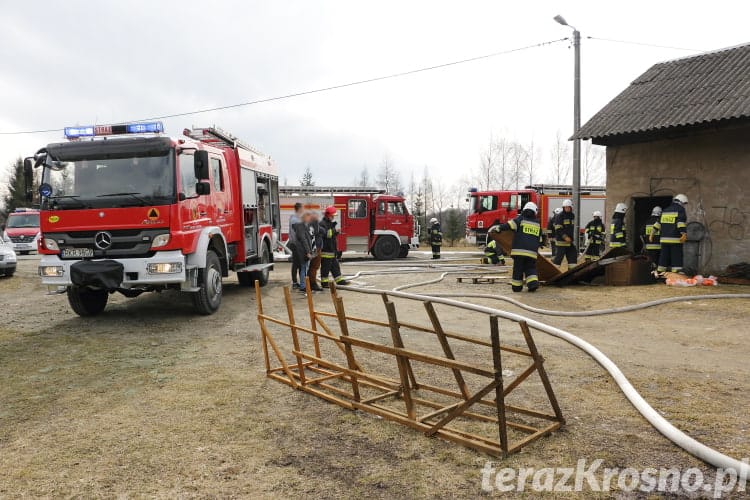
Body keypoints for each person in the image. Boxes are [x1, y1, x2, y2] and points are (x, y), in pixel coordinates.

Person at [488, 201, 543, 293]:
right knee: (530, 268)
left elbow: (509, 225)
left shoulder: (520, 219)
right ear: (534, 212)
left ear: (524, 210)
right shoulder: (537, 224)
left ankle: (517, 287)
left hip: (519, 252)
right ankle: (533, 284)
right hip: (532, 253)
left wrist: (498, 228)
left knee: (518, 269)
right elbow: (540, 240)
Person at [653, 194, 688, 273]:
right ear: (681, 202)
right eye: (684, 203)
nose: (684, 205)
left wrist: (652, 233)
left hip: (664, 240)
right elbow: (680, 223)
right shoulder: (680, 210)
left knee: (663, 257)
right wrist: (684, 233)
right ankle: (676, 273)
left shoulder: (665, 210)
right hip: (675, 239)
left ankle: (660, 273)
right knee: (676, 257)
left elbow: (658, 223)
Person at [319, 206, 350, 287]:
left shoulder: (329, 223)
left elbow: (331, 235)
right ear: (328, 215)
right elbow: (326, 234)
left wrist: (336, 232)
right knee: (326, 267)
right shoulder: (322, 224)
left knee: (335, 266)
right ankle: (324, 283)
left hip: (331, 249)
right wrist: (334, 231)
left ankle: (339, 280)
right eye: (332, 215)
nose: (333, 217)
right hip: (326, 250)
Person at [293, 211, 314, 294]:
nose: (310, 219)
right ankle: (303, 286)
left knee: (304, 268)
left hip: (304, 251)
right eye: (308, 217)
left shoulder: (305, 226)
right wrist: (308, 252)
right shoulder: (301, 227)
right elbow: (304, 240)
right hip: (303, 252)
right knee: (304, 268)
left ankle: (304, 285)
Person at [552, 199, 576, 267]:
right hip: (561, 242)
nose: (567, 208)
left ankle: (572, 274)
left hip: (569, 242)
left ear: (571, 207)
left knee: (573, 256)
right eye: (565, 207)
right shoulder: (560, 216)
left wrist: (570, 238)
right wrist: (565, 237)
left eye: (568, 207)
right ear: (563, 207)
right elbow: (558, 229)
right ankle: (553, 273)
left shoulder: (572, 215)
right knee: (558, 259)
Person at [287, 202, 304, 288]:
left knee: (298, 263)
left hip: (295, 243)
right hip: (296, 244)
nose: (303, 209)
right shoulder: (295, 219)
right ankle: (295, 283)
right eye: (302, 208)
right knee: (297, 264)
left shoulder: (295, 218)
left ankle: (300, 282)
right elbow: (295, 233)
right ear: (300, 208)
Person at [307, 211, 324, 291]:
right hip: (315, 248)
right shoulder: (315, 225)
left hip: (312, 248)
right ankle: (312, 284)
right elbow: (322, 231)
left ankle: (308, 283)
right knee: (314, 266)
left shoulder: (307, 225)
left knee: (310, 267)